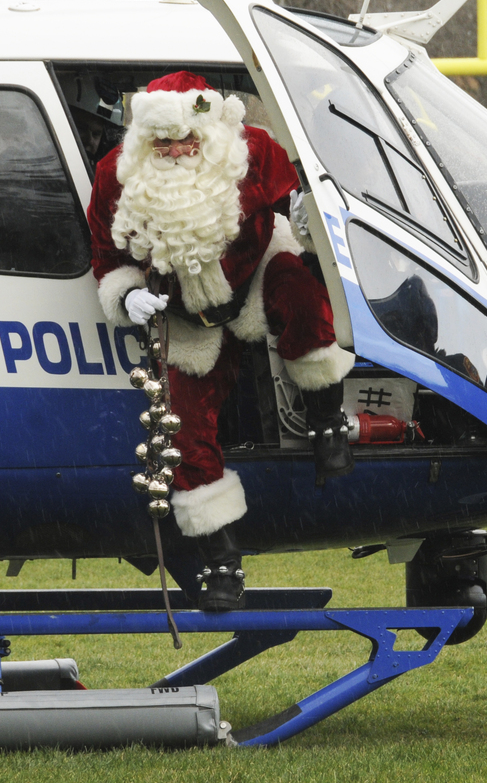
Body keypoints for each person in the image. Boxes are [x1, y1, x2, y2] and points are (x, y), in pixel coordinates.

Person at [88, 71, 355, 612]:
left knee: (303, 300)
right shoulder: (116, 177)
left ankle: (327, 416)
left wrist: (309, 218)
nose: (174, 152)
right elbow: (106, 256)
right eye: (161, 144)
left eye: (184, 141)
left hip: (255, 270)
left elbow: (303, 198)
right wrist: (125, 295)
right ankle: (221, 560)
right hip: (183, 310)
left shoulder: (254, 151)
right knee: (182, 432)